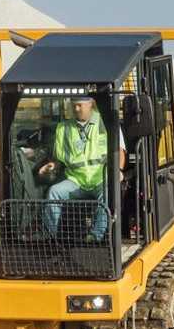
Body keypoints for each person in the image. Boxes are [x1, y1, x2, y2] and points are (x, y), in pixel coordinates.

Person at [39, 96, 126, 241]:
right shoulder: (63, 128)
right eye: (73, 105)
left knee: (107, 192)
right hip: (76, 181)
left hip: (100, 179)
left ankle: (95, 236)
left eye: (79, 105)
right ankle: (50, 236)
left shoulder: (107, 123)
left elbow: (120, 151)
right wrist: (53, 165)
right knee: (54, 192)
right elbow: (60, 159)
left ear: (90, 103)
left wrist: (119, 170)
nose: (76, 109)